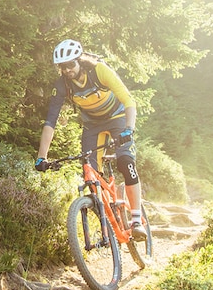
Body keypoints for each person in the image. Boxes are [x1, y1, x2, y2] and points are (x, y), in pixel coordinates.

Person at [34, 39, 147, 240]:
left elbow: (128, 100)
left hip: (118, 118)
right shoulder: (62, 85)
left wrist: (129, 129)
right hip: (92, 126)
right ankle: (107, 223)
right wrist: (41, 157)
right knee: (91, 175)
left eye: (70, 64)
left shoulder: (99, 71)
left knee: (125, 161)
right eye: (62, 67)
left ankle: (137, 220)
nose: (67, 70)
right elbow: (50, 121)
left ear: (79, 60)